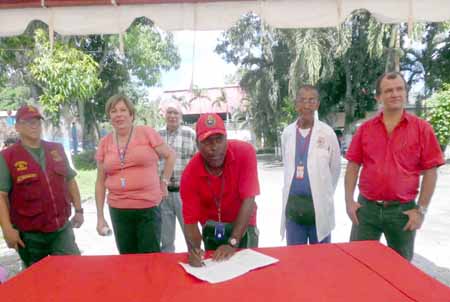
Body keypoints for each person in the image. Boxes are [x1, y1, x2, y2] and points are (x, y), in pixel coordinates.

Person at [345, 72, 445, 261]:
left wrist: (421, 211)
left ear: (406, 93)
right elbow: (352, 166)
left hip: (403, 213)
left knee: (401, 271)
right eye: (388, 90)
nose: (395, 94)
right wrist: (349, 201)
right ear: (379, 97)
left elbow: (431, 172)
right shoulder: (365, 129)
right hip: (366, 211)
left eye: (399, 89)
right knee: (359, 264)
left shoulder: (422, 129)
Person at [0, 105, 83, 268]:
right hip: (30, 235)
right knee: (38, 282)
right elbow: (1, 196)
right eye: (28, 122)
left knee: (73, 270)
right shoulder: (7, 157)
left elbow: (70, 180)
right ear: (17, 127)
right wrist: (7, 230)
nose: (34, 125)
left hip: (61, 230)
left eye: (37, 121)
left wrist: (79, 210)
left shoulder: (56, 149)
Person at [95, 95, 175, 254]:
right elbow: (100, 181)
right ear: (109, 116)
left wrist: (164, 182)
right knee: (127, 257)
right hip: (118, 209)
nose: (119, 114)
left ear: (131, 115)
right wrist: (100, 217)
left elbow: (170, 156)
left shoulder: (146, 133)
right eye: (114, 111)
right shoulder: (105, 143)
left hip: (148, 207)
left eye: (123, 110)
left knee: (149, 257)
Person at [180, 113, 260, 267]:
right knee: (216, 271)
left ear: (226, 139)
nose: (214, 148)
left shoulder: (245, 152)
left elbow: (249, 199)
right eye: (207, 142)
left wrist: (233, 242)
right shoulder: (190, 174)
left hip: (243, 221)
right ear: (197, 144)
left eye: (219, 140)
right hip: (211, 226)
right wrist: (195, 250)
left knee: (246, 274)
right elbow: (190, 222)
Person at [280, 85, 341, 245]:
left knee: (322, 260)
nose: (306, 105)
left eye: (311, 100)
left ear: (317, 104)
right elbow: (287, 167)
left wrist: (323, 191)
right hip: (294, 209)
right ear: (296, 104)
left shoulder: (327, 133)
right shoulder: (287, 133)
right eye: (302, 100)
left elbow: (335, 169)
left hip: (318, 208)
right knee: (296, 259)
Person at [158, 101, 196, 252]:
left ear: (181, 116)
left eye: (176, 113)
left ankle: (194, 260)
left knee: (191, 234)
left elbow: (197, 161)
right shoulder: (157, 135)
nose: (172, 116)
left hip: (184, 193)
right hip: (163, 193)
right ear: (165, 115)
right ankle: (168, 269)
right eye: (169, 112)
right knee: (166, 238)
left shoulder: (190, 134)